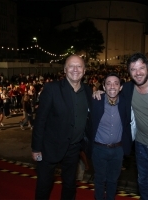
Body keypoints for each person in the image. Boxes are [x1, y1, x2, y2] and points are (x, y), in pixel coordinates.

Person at [93, 53, 148, 200]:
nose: (138, 72)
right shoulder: (127, 88)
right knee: (142, 181)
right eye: (133, 69)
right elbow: (112, 89)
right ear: (129, 71)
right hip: (140, 145)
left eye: (141, 68)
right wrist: (100, 92)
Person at [31, 55, 92, 200]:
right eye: (71, 66)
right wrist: (36, 148)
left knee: (70, 185)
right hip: (49, 147)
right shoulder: (52, 89)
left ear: (84, 71)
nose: (75, 69)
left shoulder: (88, 91)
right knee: (44, 185)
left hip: (73, 148)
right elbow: (40, 121)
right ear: (65, 70)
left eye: (79, 66)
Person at [91, 73, 132, 200]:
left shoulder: (126, 103)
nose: (112, 86)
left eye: (116, 83)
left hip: (118, 150)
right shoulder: (95, 101)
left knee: (113, 181)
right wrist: (94, 92)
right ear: (103, 87)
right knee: (99, 180)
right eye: (108, 83)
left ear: (120, 87)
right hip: (99, 149)